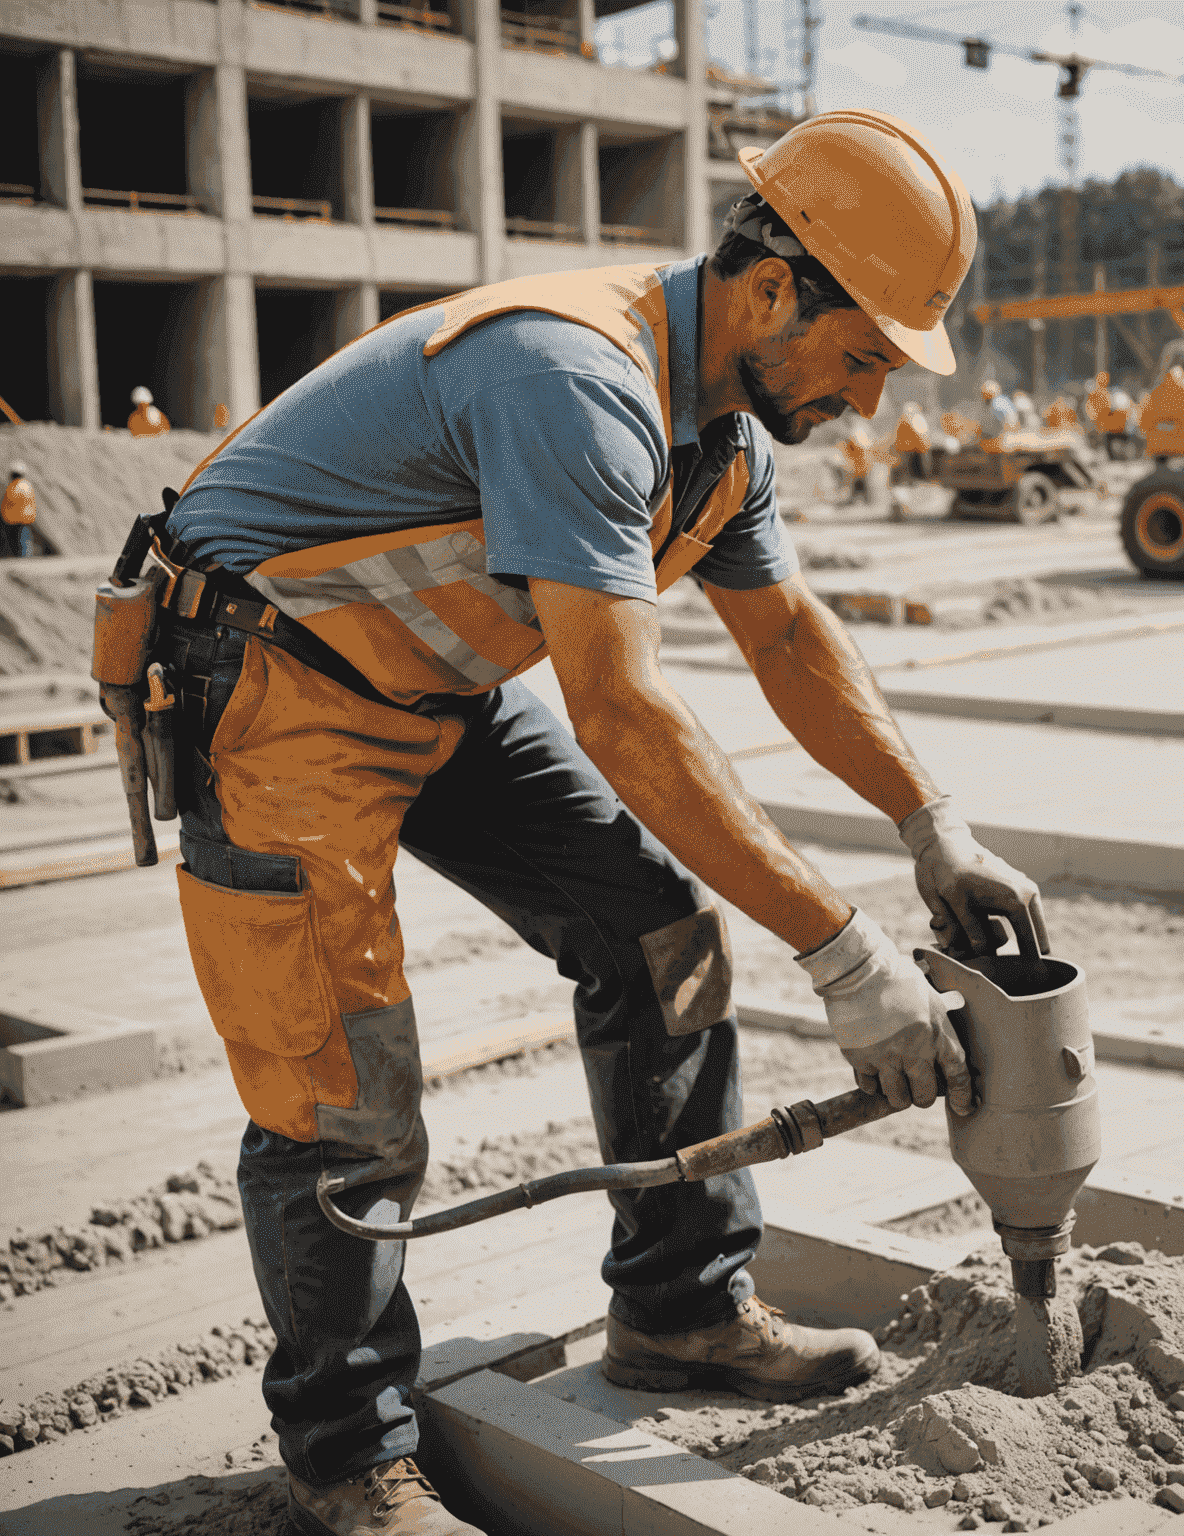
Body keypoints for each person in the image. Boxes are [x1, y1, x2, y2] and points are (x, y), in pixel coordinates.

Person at [142, 108, 1048, 1536]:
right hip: (273, 682)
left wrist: (931, 825)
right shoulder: (576, 377)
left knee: (660, 938)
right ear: (769, 290)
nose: (872, 401)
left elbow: (791, 641)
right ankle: (345, 1456)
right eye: (863, 354)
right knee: (342, 1092)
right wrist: (847, 955)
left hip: (429, 682)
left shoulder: (722, 436)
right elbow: (624, 718)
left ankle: (680, 1313)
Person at [1, 461, 37, 557]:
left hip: (15, 518)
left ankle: (21, 557)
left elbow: (7, 503)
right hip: (27, 518)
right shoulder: (27, 485)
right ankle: (26, 556)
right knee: (25, 538)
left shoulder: (13, 487)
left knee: (17, 540)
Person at [893, 400, 932, 481]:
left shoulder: (915, 419)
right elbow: (922, 435)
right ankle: (919, 478)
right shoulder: (906, 420)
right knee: (915, 466)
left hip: (915, 449)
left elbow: (924, 434)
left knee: (917, 466)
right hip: (913, 449)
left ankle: (920, 478)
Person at [840, 417, 875, 502]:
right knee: (858, 484)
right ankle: (857, 500)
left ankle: (865, 500)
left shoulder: (857, 432)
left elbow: (866, 445)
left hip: (861, 465)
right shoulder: (851, 434)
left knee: (863, 484)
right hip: (857, 465)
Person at [978, 379, 1018, 450]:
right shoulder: (1003, 400)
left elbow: (1006, 426)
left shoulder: (996, 404)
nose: (982, 395)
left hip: (1003, 442)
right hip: (1008, 440)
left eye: (984, 393)